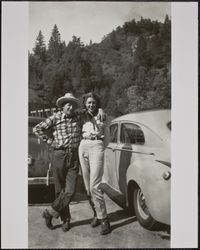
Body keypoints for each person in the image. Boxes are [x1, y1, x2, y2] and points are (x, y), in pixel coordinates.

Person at [33, 93, 104, 232]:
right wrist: (51, 142)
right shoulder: (55, 117)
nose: (70, 107)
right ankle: (66, 219)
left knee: (70, 191)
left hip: (74, 156)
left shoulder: (78, 116)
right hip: (59, 155)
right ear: (62, 106)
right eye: (67, 104)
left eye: (72, 104)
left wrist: (101, 109)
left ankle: (49, 212)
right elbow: (37, 128)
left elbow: (91, 109)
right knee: (60, 190)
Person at [78, 92, 111, 235]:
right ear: (85, 103)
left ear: (97, 103)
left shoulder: (103, 115)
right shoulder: (81, 115)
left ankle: (104, 219)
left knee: (94, 186)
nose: (91, 104)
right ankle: (96, 215)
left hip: (96, 145)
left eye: (93, 102)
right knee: (87, 186)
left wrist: (100, 146)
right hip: (83, 146)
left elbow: (108, 137)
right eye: (88, 102)